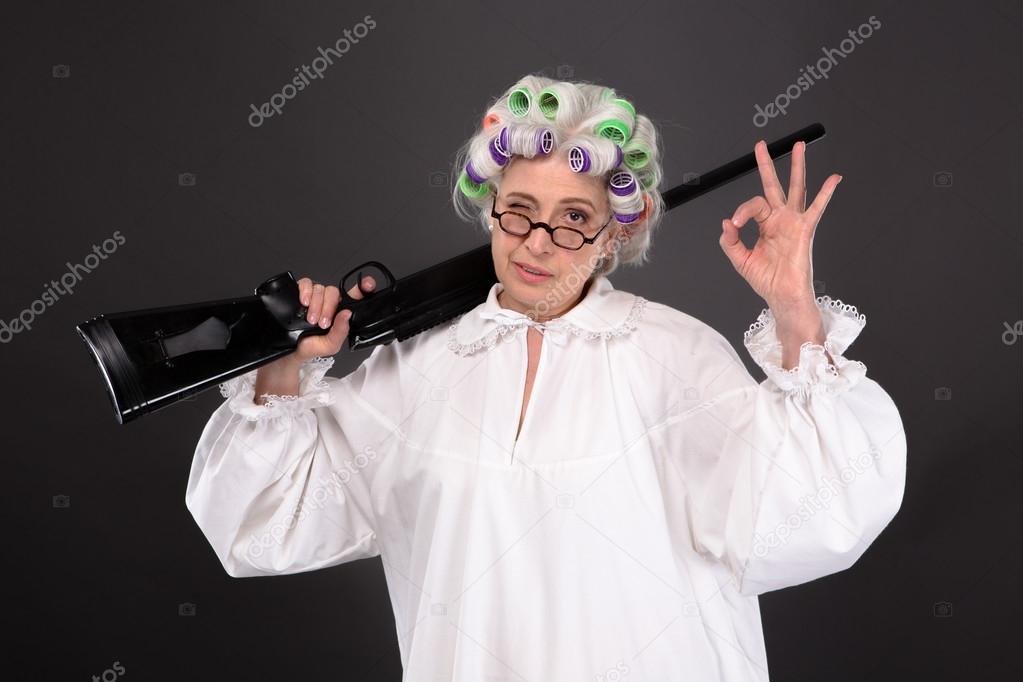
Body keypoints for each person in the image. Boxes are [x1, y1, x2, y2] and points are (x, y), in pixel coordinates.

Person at [185, 74, 906, 680]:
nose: (536, 243)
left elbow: (805, 521)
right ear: (491, 206)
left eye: (571, 220)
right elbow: (264, 527)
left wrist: (794, 316)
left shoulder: (676, 354)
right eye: (518, 212)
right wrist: (279, 366)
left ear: (614, 233)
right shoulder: (413, 368)